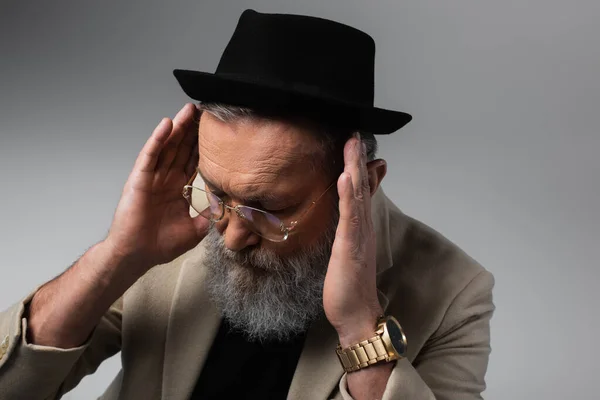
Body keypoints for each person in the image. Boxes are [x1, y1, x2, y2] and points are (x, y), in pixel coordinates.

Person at [0, 9, 494, 400]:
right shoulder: (178, 231)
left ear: (361, 186)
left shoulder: (455, 294)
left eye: (268, 208)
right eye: (215, 193)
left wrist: (359, 325)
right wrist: (118, 255)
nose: (231, 235)